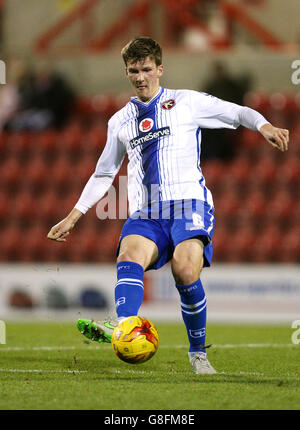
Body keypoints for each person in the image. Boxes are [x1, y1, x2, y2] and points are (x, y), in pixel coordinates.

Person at [47, 37, 289, 374]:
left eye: (147, 69)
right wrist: (74, 216)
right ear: (127, 73)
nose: (141, 76)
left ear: (160, 69)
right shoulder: (119, 121)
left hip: (188, 203)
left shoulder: (186, 102)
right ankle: (125, 326)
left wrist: (264, 125)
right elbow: (104, 172)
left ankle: (198, 354)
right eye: (134, 70)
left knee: (186, 270)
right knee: (129, 255)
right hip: (146, 213)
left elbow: (237, 111)